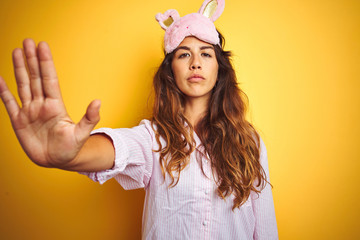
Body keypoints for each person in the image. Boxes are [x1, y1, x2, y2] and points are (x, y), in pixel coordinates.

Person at [0, 0, 278, 239]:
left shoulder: (249, 142)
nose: (196, 62)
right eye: (184, 54)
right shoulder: (153, 138)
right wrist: (69, 156)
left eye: (206, 54)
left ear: (220, 68)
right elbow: (117, 147)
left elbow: (265, 229)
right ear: (171, 71)